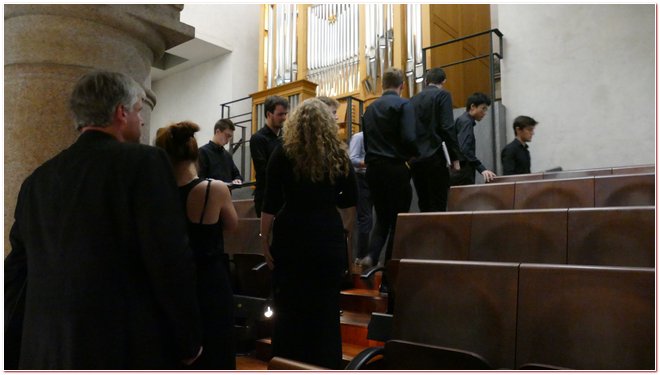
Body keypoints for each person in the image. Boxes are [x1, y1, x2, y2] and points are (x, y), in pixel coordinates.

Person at [4, 70, 202, 369]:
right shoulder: (144, 162)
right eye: (138, 110)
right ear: (121, 113)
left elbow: (17, 270)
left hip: (43, 350)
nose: (142, 119)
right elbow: (169, 259)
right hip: (118, 349)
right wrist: (188, 339)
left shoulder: (37, 180)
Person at [260, 98, 357, 369]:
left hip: (291, 237)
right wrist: (342, 234)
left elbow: (269, 205)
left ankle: (287, 365)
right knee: (325, 312)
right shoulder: (339, 155)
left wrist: (263, 241)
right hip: (327, 238)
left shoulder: (282, 152)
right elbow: (350, 206)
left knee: (288, 311)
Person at [155, 121, 239, 369]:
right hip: (211, 279)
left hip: (175, 279)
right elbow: (232, 225)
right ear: (194, 154)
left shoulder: (157, 193)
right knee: (217, 348)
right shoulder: (215, 189)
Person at [361, 68, 419, 273]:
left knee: (382, 216)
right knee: (398, 219)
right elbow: (410, 138)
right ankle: (389, 267)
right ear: (402, 86)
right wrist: (414, 155)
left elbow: (367, 143)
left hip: (374, 170)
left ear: (382, 85)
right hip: (395, 168)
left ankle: (370, 256)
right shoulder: (404, 104)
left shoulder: (369, 109)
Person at [409, 67, 462, 212]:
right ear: (444, 81)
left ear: (426, 81)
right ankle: (437, 234)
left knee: (424, 203)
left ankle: (426, 234)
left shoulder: (412, 100)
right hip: (435, 157)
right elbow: (447, 128)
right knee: (438, 203)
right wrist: (455, 157)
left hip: (416, 159)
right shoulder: (443, 95)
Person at [250, 95, 289, 217]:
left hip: (284, 197)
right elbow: (263, 171)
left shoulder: (286, 138)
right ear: (268, 114)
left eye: (285, 114)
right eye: (280, 114)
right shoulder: (258, 138)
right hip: (267, 198)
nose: (283, 118)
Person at [451, 92, 497, 185]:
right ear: (472, 106)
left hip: (458, 169)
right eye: (483, 109)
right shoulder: (466, 122)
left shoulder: (462, 120)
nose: (484, 113)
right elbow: (465, 149)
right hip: (463, 171)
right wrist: (482, 169)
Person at [348, 131, 373, 263]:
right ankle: (361, 256)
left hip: (373, 179)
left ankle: (368, 256)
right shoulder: (359, 137)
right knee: (365, 218)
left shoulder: (376, 137)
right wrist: (369, 162)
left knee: (370, 218)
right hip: (361, 179)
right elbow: (352, 159)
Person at [198, 118, 243, 185]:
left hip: (226, 194)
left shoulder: (227, 155)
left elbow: (236, 174)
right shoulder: (202, 152)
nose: (228, 140)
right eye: (227, 135)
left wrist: (237, 179)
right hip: (210, 194)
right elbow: (199, 179)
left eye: (230, 137)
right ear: (218, 132)